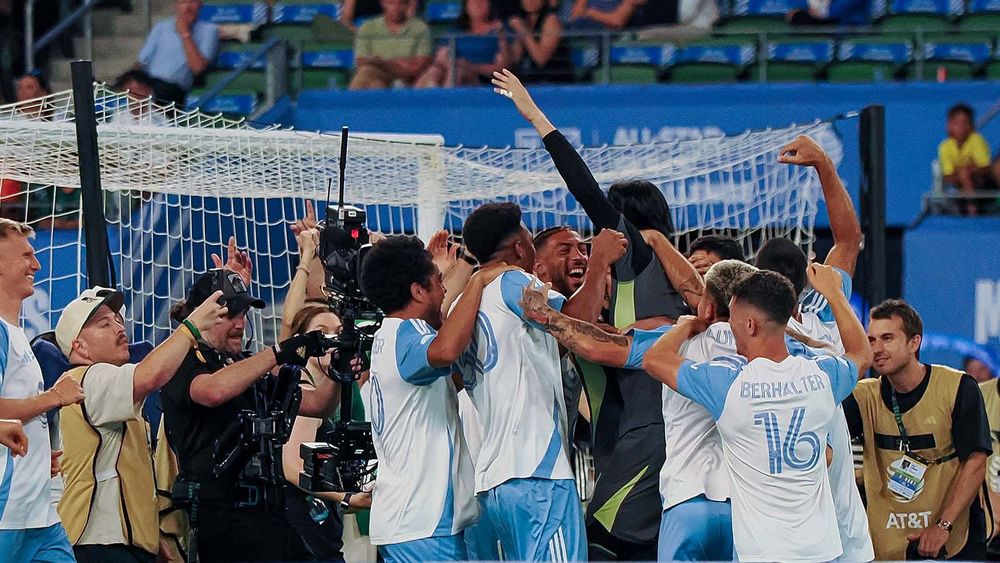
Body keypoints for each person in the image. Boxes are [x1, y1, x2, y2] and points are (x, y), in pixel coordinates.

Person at [494, 68, 692, 559]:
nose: (594, 234)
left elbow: (586, 190)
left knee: (604, 542)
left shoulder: (640, 255)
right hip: (623, 438)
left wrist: (536, 117)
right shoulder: (639, 279)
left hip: (646, 436)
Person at [519, 259, 755, 561]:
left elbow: (599, 347)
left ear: (708, 308)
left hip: (687, 500)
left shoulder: (675, 343)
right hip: (745, 505)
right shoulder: (772, 351)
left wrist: (546, 315)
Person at [642, 266, 872, 562]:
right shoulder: (823, 376)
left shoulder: (728, 386)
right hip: (822, 549)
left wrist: (685, 326)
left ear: (750, 325)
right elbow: (861, 354)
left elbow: (654, 360)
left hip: (761, 553)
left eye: (733, 320)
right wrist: (834, 294)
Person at [455, 202, 616, 561]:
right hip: (536, 473)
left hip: (493, 481)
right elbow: (576, 325)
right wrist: (600, 262)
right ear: (520, 247)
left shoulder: (463, 306)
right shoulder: (513, 280)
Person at [160, 263, 340, 562]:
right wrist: (278, 353)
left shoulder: (240, 365)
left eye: (243, 315)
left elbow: (318, 405)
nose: (241, 325)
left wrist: (337, 369)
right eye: (230, 315)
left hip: (271, 515)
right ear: (202, 316)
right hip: (221, 521)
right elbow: (213, 391)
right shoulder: (182, 360)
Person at [758, 133, 874, 563]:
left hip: (784, 519)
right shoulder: (826, 308)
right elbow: (848, 240)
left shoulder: (747, 333)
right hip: (830, 509)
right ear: (809, 275)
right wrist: (824, 163)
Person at [359, 235, 512, 560]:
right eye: (438, 282)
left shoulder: (390, 338)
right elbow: (445, 349)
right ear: (417, 291)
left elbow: (450, 371)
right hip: (422, 523)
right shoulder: (407, 334)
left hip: (414, 521)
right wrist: (478, 280)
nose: (444, 292)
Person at [53, 286, 227, 563]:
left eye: (118, 320)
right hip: (97, 546)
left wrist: (152, 536)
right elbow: (150, 375)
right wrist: (191, 327)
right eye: (104, 324)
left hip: (120, 544)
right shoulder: (88, 378)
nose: (118, 327)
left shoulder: (111, 390)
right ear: (79, 346)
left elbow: (124, 475)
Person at [843, 299, 992, 560]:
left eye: (887, 338)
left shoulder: (957, 388)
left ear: (914, 343)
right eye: (872, 340)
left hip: (952, 539)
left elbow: (976, 460)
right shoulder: (863, 396)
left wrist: (943, 525)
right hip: (886, 543)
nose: (877, 349)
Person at [0, 218, 82, 563]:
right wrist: (54, 397)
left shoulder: (16, 333)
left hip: (40, 513)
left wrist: (35, 454)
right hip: (7, 513)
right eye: (25, 256)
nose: (37, 264)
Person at [137, 0, 220, 106]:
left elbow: (197, 67)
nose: (188, 7)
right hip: (148, 83)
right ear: (176, 6)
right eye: (183, 3)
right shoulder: (161, 27)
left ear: (200, 4)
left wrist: (185, 33)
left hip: (172, 89)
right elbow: (142, 61)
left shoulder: (209, 30)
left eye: (192, 2)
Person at [416, 0, 510, 88]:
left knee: (457, 72)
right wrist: (453, 63)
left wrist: (470, 67)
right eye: (473, 1)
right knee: (434, 71)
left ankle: (446, 102)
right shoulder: (455, 32)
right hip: (451, 68)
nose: (478, 4)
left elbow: (502, 67)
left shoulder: (499, 31)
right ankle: (420, 102)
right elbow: (440, 57)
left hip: (480, 79)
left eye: (483, 1)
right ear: (466, 7)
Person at [349, 0, 433, 90]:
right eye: (391, 3)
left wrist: (384, 63)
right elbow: (361, 62)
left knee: (368, 74)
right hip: (377, 75)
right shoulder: (367, 27)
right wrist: (398, 63)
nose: (396, 8)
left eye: (402, 3)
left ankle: (346, 102)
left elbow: (418, 67)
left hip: (405, 80)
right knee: (375, 83)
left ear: (408, 5)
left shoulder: (420, 29)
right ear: (383, 3)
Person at [938, 104, 993, 216]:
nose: (961, 127)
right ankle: (970, 209)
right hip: (957, 186)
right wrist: (962, 176)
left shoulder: (977, 140)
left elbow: (985, 168)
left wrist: (969, 171)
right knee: (962, 175)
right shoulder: (945, 146)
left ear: (971, 125)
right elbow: (948, 175)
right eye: (957, 123)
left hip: (980, 183)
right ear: (949, 126)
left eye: (965, 123)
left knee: (966, 173)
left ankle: (972, 209)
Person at [508, 0, 573, 83]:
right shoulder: (524, 21)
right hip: (529, 82)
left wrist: (523, 31)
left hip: (553, 83)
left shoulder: (551, 20)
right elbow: (515, 58)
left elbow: (541, 59)